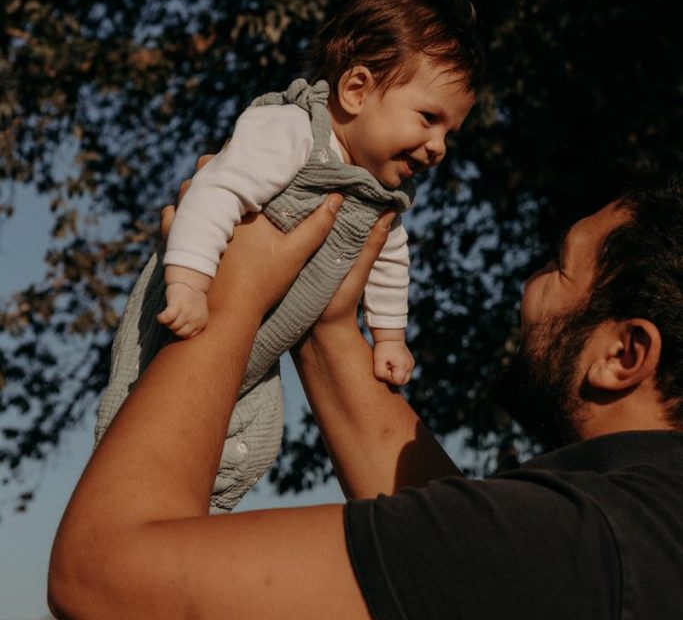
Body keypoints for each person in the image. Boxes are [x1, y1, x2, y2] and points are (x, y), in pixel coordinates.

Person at [49, 170, 683, 619]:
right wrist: (323, 322)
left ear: (622, 355)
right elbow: (445, 566)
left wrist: (232, 293)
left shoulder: (580, 540)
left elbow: (101, 575)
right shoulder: (644, 533)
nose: (530, 286)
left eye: (558, 266)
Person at [159, 0, 482, 388]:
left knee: (245, 451)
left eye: (450, 134)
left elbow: (389, 259)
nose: (439, 147)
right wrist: (188, 285)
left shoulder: (380, 198)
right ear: (356, 90)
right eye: (428, 118)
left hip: (255, 364)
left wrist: (389, 338)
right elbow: (215, 190)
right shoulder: (293, 131)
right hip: (188, 324)